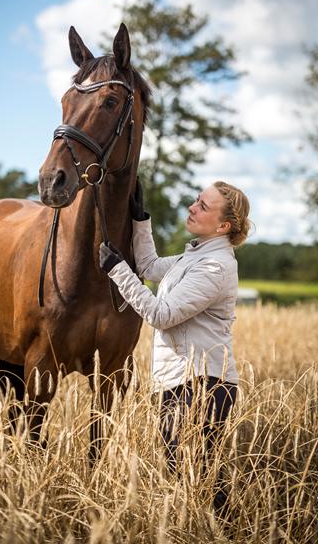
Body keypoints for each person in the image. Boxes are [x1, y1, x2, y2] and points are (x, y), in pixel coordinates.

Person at [99, 179, 251, 515]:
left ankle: (224, 534)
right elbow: (151, 268)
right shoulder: (193, 256)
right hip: (179, 382)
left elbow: (161, 314)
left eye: (202, 206)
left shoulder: (215, 266)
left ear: (223, 226)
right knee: (188, 477)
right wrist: (141, 221)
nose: (192, 208)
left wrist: (116, 270)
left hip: (201, 386)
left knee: (201, 482)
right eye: (196, 200)